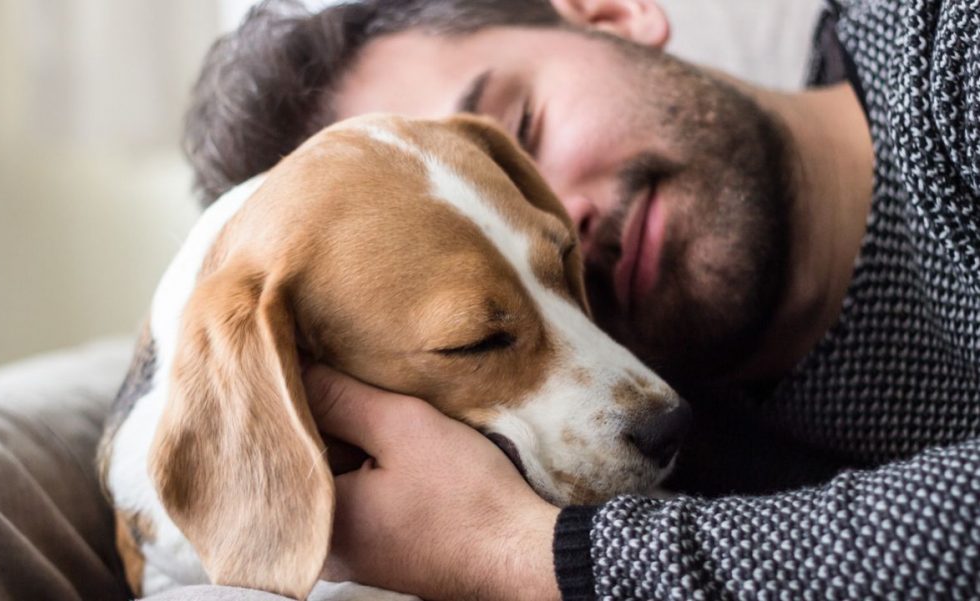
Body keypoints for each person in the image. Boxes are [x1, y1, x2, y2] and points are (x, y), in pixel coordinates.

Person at [182, 0, 980, 599]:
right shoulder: (663, 437)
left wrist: (532, 553)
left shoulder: (949, 49)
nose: (558, 218)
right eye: (472, 328)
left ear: (607, 11)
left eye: (516, 133)